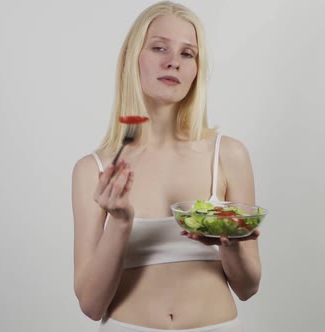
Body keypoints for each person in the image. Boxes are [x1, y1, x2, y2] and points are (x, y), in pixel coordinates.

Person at [71, 1, 261, 331]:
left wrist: (228, 242)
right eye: (159, 47)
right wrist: (119, 222)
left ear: (197, 70)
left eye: (188, 53)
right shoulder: (94, 169)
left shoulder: (228, 155)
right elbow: (90, 304)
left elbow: (248, 287)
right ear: (133, 57)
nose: (173, 62)